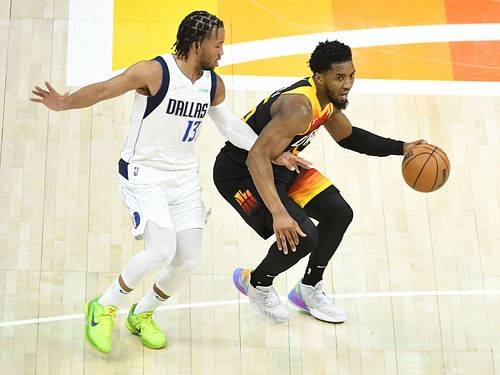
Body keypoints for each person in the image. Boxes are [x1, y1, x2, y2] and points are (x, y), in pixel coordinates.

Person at [31, 10, 306, 354]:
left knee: (186, 261)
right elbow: (104, 89)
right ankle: (103, 307)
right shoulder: (154, 71)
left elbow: (231, 127)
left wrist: (272, 153)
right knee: (161, 249)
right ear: (197, 44)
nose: (222, 51)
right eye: (218, 45)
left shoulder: (212, 84)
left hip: (183, 180)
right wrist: (66, 102)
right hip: (144, 174)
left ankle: (142, 314)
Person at [213, 40, 425, 323]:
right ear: (319, 78)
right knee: (302, 236)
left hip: (281, 165)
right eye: (340, 77)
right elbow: (256, 158)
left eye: (351, 75)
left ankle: (308, 288)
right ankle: (257, 282)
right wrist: (279, 214)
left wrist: (403, 148)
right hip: (240, 172)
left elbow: (349, 137)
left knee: (339, 213)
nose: (347, 83)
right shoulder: (300, 107)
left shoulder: (326, 102)